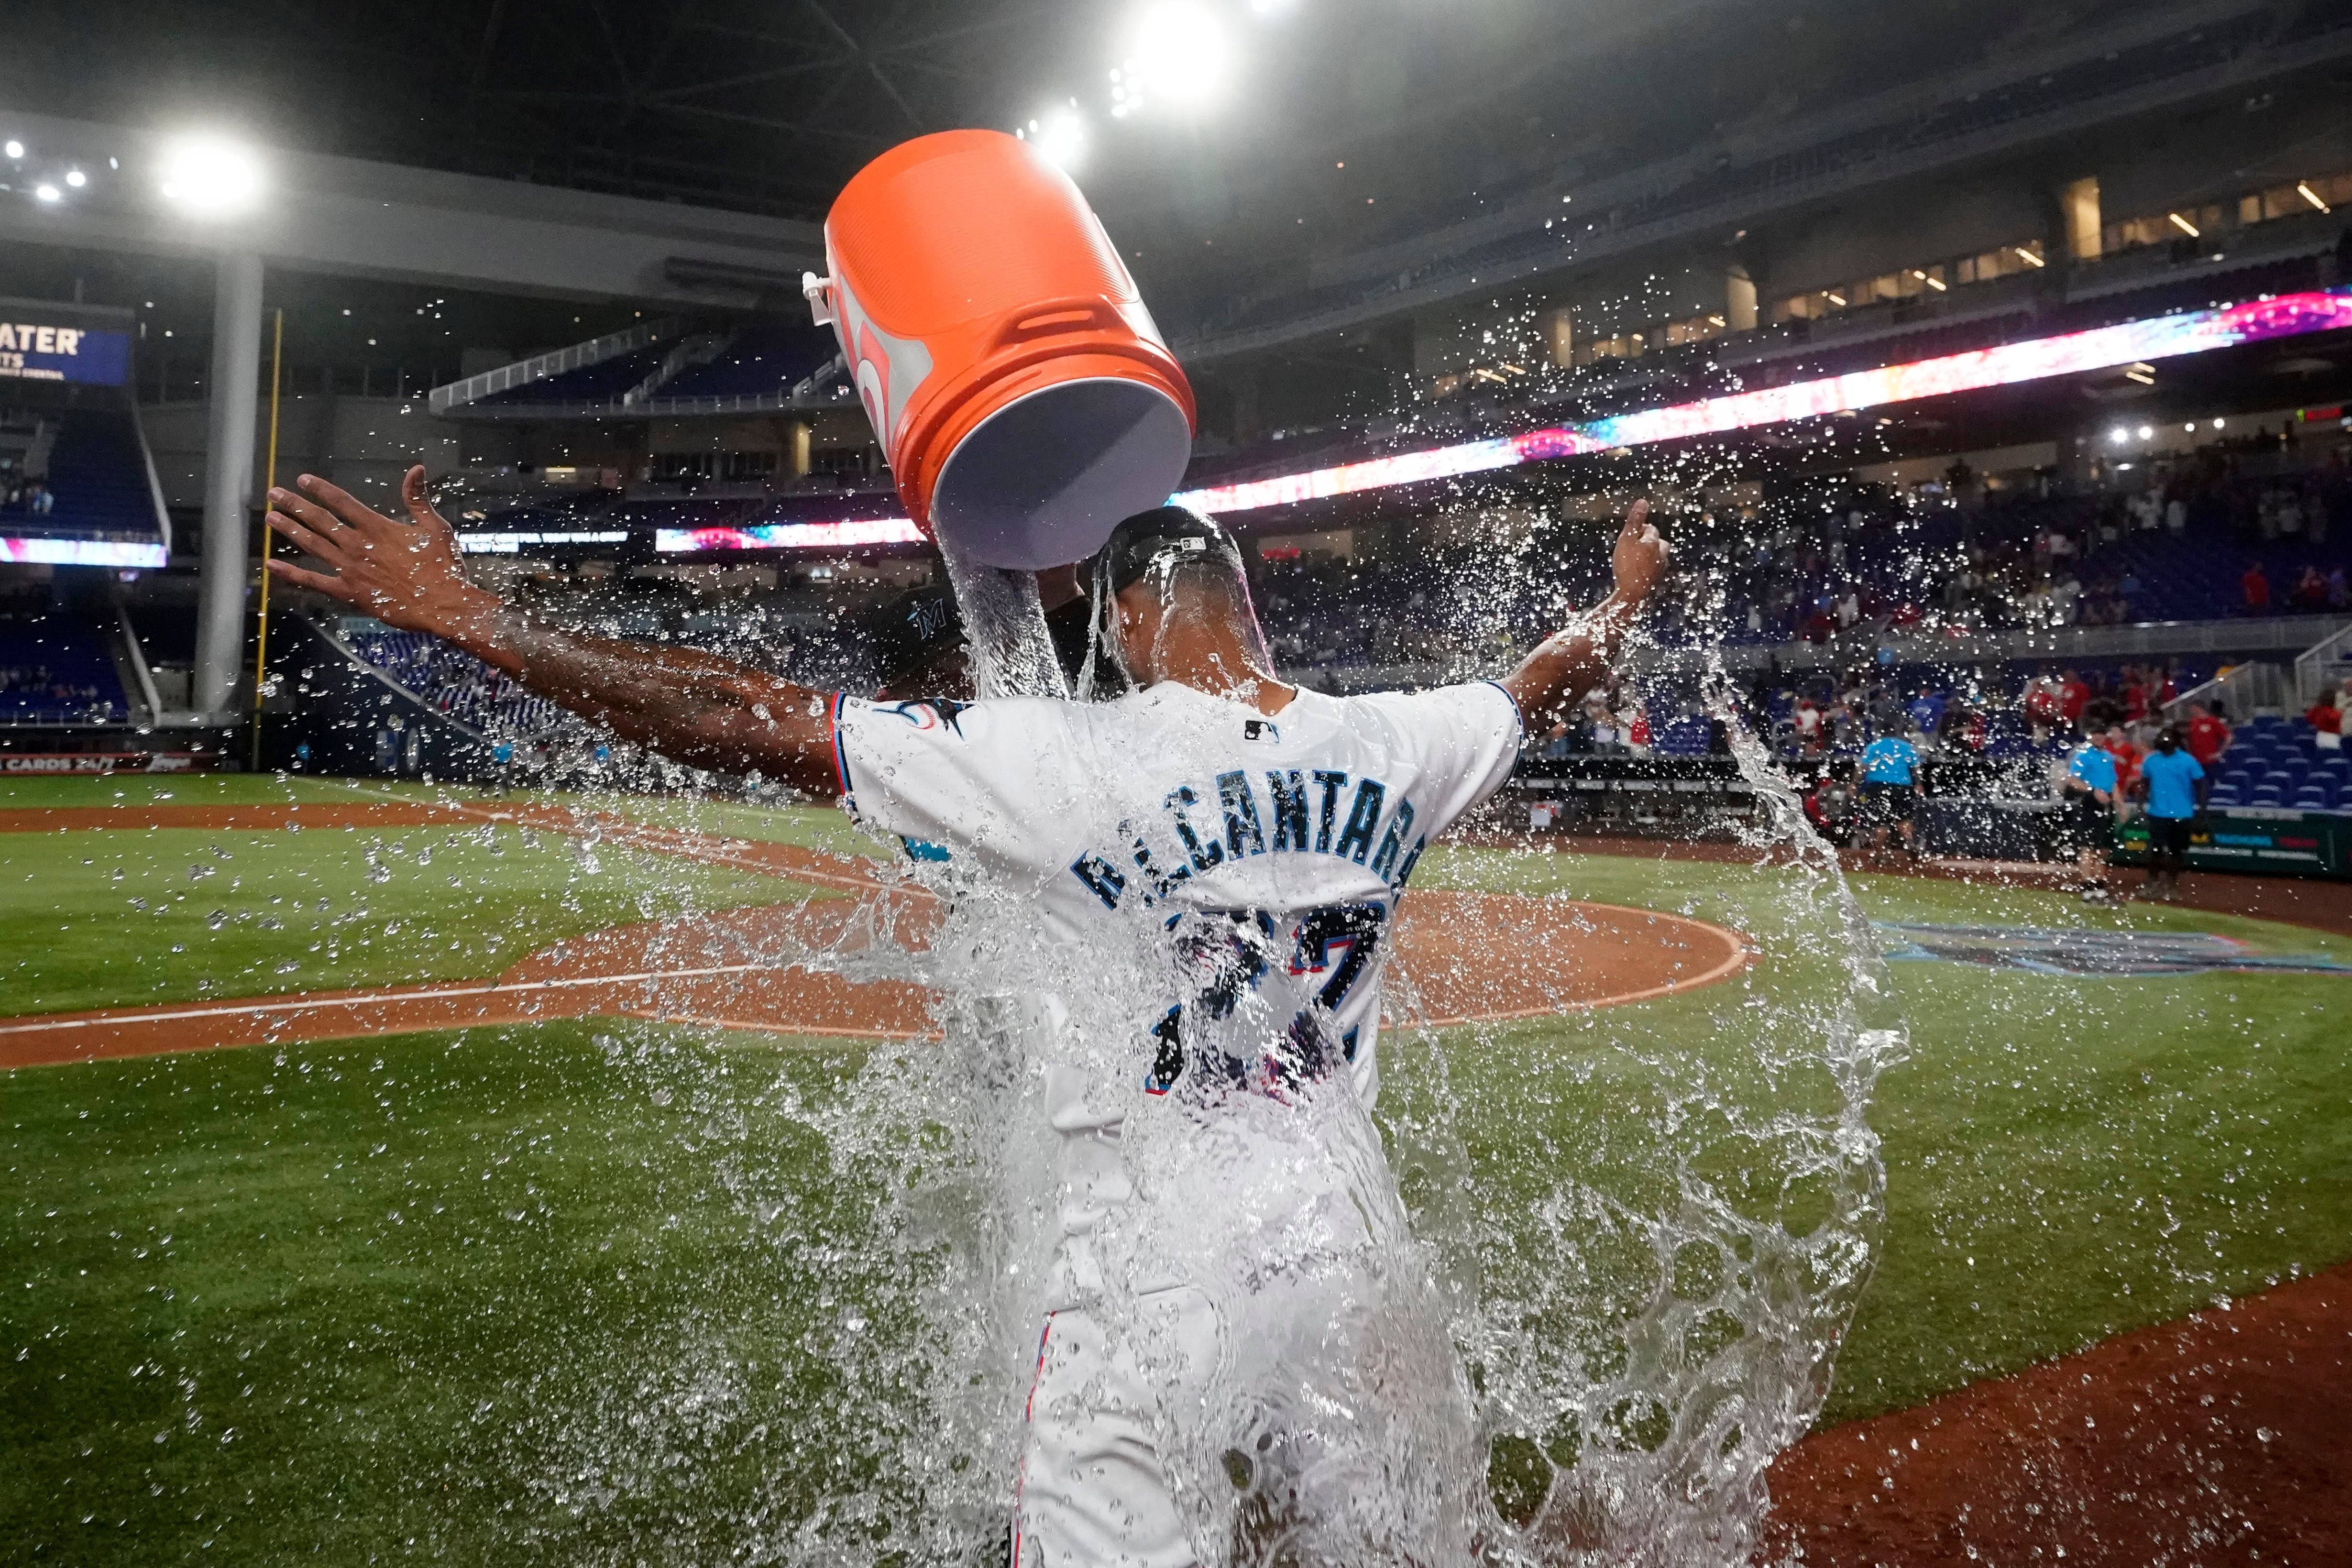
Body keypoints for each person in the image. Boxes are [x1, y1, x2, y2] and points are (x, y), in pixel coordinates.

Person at [261, 466, 1671, 1564]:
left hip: (1144, 1254)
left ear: (1123, 621)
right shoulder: (1398, 741)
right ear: (1245, 601)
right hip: (1344, 1225)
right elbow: (1539, 684)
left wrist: (477, 619)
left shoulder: (1060, 760)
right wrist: (1618, 598)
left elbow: (736, 714)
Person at [2134, 723, 2206, 903]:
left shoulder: (2188, 761)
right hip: (2158, 813)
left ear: (2176, 741)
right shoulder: (2151, 761)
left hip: (2183, 814)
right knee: (2155, 850)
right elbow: (2144, 784)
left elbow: (2202, 785)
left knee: (2176, 851)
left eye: (2168, 737)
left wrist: (2201, 811)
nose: (2164, 740)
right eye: (2161, 737)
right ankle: (2152, 882)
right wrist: (2140, 807)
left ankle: (2172, 884)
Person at [2056, 729, 2120, 905]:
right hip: (2086, 804)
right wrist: (2093, 791)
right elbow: (2072, 780)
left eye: (2102, 734)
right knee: (2087, 847)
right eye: (2096, 734)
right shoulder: (2083, 755)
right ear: (2090, 736)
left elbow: (2113, 782)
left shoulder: (2107, 756)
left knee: (2102, 848)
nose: (2100, 738)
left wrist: (2120, 805)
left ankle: (2099, 889)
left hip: (2105, 804)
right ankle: (2087, 889)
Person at [1857, 725, 1922, 855]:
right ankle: (1910, 842)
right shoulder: (1906, 747)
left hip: (1878, 785)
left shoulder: (1874, 746)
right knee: (1904, 819)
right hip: (1902, 786)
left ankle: (1880, 852)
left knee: (1880, 821)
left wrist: (1855, 783)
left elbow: (1863, 767)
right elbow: (1916, 768)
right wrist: (1919, 784)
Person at [2186, 699, 2232, 768]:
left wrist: (2219, 753)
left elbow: (2228, 737)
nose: (2191, 711)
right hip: (2196, 761)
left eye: (2192, 709)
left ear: (2198, 708)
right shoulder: (2192, 722)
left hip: (2210, 762)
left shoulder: (2212, 721)